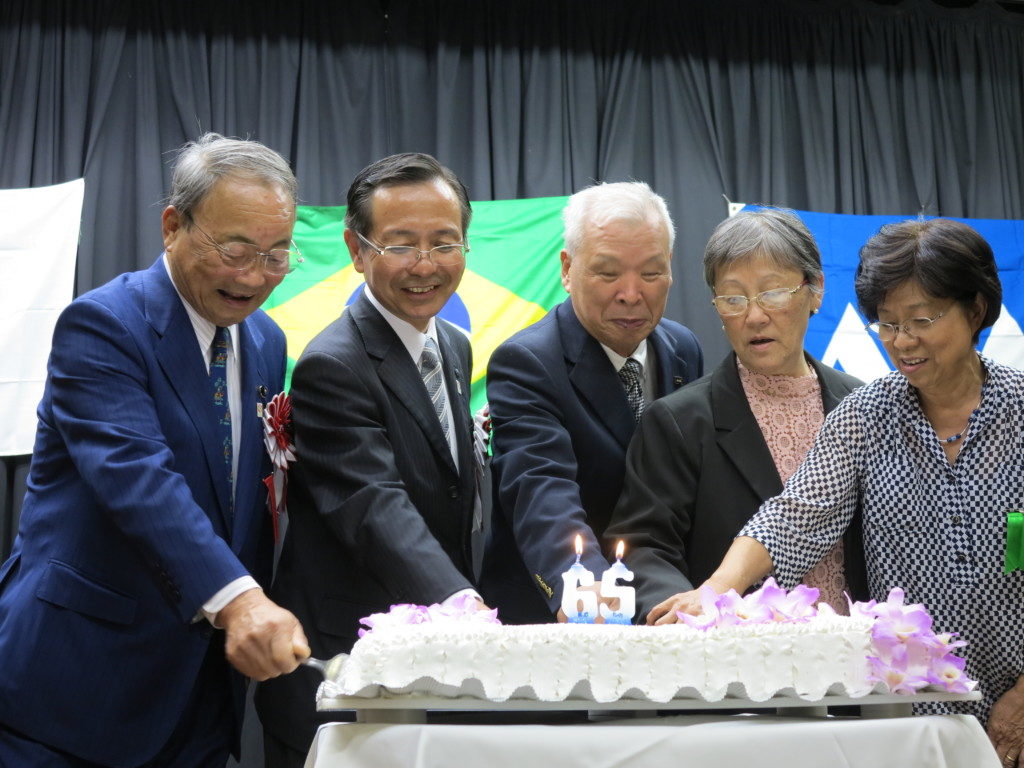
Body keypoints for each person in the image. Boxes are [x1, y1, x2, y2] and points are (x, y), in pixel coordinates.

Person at [0, 133, 307, 767]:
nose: (255, 277)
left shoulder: (267, 342)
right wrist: (241, 601)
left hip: (201, 695)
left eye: (277, 255)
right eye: (235, 250)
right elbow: (138, 478)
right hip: (78, 686)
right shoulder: (104, 324)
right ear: (173, 226)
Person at [671, 218, 1024, 763]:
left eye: (921, 320)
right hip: (908, 712)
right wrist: (715, 590)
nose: (901, 342)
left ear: (974, 310)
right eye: (886, 324)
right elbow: (796, 516)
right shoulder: (868, 414)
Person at [255, 153, 484, 766]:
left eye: (444, 242)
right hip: (349, 667)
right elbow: (374, 506)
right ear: (357, 250)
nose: (426, 265)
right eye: (401, 244)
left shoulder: (454, 346)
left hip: (429, 655)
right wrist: (467, 612)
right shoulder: (334, 363)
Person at [604, 208, 866, 624]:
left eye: (773, 292)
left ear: (815, 290)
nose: (754, 315)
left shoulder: (861, 404)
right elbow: (643, 546)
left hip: (858, 660)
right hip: (733, 660)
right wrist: (691, 612)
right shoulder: (679, 420)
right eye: (733, 298)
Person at [479, 181, 704, 624]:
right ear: (567, 268)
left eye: (651, 272)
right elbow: (541, 488)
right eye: (608, 272)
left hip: (667, 607)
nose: (631, 293)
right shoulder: (527, 362)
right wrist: (586, 586)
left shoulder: (682, 348)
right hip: (567, 621)